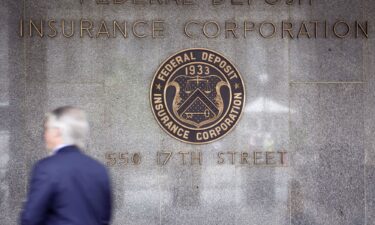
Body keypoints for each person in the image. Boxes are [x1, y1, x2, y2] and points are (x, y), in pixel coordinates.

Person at [20, 106, 112, 225]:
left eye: (47, 129)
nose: (44, 135)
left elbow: (30, 219)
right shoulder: (99, 169)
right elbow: (104, 218)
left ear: (57, 132)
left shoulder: (46, 168)